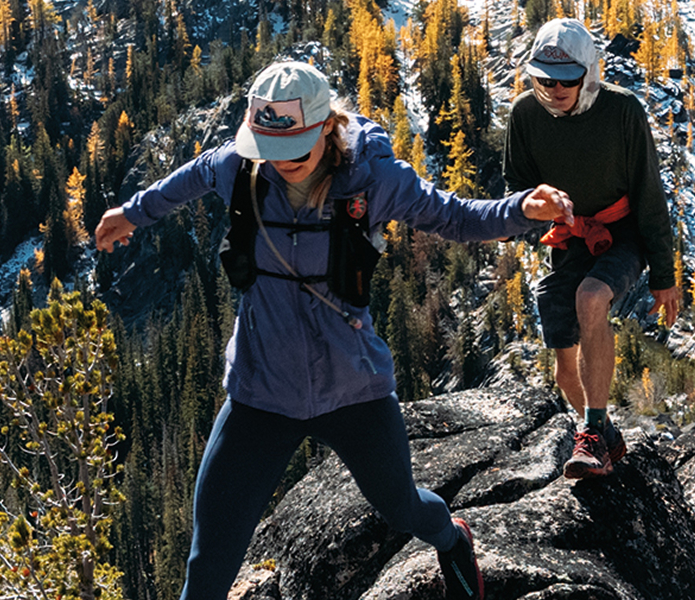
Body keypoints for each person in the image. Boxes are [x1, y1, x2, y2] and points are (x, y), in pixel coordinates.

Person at [94, 60, 569, 600]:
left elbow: (454, 217)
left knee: (403, 507)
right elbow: (195, 175)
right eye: (266, 149)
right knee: (209, 563)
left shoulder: (373, 180)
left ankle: (451, 537)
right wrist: (131, 214)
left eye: (291, 149)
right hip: (259, 393)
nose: (277, 163)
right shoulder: (240, 168)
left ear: (326, 127)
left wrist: (522, 209)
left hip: (353, 389)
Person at [506, 18, 685, 480]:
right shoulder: (526, 114)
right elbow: (517, 187)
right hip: (570, 239)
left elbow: (649, 194)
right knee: (565, 365)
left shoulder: (622, 111)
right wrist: (533, 210)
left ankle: (588, 439)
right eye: (545, 78)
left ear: (588, 73)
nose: (556, 88)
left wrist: (665, 277)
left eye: (566, 79)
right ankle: (602, 431)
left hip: (623, 235)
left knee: (591, 298)